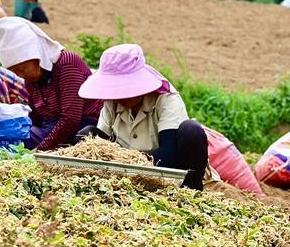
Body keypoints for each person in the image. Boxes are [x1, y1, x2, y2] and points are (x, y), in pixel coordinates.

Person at [76, 44, 208, 191]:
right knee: (87, 134)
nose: (121, 97)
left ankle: (191, 191)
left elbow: (168, 154)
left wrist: (124, 159)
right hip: (121, 178)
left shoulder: (165, 100)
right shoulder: (112, 103)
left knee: (192, 130)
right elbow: (100, 143)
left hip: (167, 174)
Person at [0, 16, 103, 151]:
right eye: (14, 72)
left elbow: (70, 119)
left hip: (80, 131)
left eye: (22, 69)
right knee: (7, 133)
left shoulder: (67, 65)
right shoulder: (32, 80)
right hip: (51, 130)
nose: (20, 75)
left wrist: (40, 151)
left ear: (37, 57)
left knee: (14, 140)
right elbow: (36, 117)